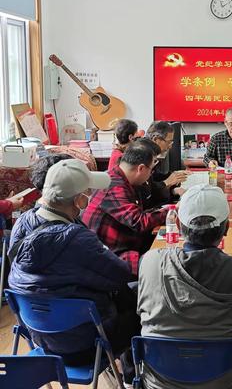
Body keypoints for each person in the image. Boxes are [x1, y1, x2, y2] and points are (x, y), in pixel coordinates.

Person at [8, 159, 138, 385]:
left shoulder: (22, 223)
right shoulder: (76, 239)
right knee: (140, 302)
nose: (89, 196)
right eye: (87, 192)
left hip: (41, 340)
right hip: (85, 345)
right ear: (78, 199)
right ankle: (130, 378)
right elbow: (122, 274)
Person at [138, 184, 232, 389]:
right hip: (224, 381)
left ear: (178, 225)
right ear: (227, 227)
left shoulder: (150, 263)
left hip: (159, 380)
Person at [83, 138, 167, 276]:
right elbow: (138, 222)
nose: (150, 174)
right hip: (111, 257)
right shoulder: (114, 186)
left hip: (125, 245)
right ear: (141, 168)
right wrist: (172, 211)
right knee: (162, 267)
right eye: (151, 170)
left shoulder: (120, 178)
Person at [144, 121, 189, 207]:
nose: (170, 146)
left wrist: (174, 176)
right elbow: (148, 191)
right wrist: (168, 182)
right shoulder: (143, 155)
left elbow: (156, 178)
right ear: (156, 140)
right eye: (168, 142)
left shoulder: (151, 152)